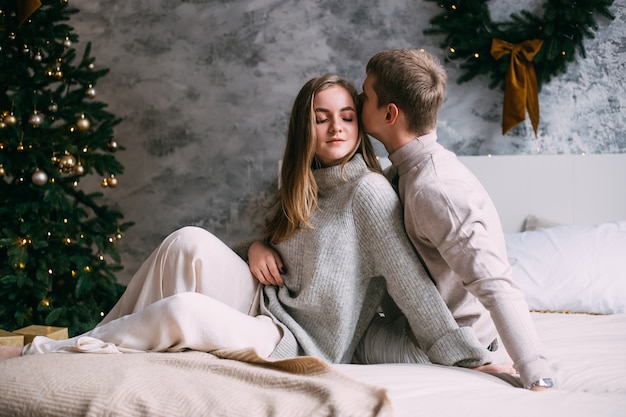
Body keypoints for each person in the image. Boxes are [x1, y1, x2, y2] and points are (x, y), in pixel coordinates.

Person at [1, 74, 490, 369]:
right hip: (263, 302)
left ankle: (46, 355)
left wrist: (476, 355)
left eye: (346, 115)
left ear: (361, 124)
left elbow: (416, 291)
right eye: (321, 117)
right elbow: (284, 252)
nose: (336, 127)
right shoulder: (304, 184)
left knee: (183, 312)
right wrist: (255, 247)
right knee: (186, 242)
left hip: (293, 339)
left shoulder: (371, 194)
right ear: (306, 126)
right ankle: (94, 342)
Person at [358, 48, 553, 390]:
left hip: (447, 342)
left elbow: (494, 282)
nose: (358, 101)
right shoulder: (407, 172)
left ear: (390, 113)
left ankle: (473, 366)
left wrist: (536, 372)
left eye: (365, 95)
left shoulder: (436, 189)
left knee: (342, 336)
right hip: (435, 329)